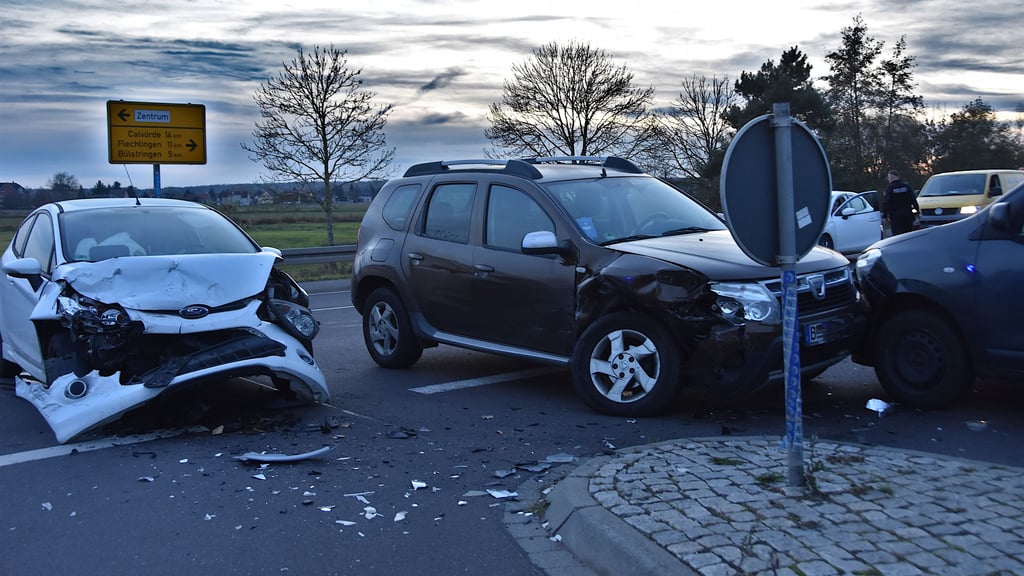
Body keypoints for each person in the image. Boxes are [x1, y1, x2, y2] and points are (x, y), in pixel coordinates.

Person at [882, 170, 919, 236]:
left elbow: (886, 203)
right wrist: (917, 212)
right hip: (907, 214)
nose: (889, 179)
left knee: (898, 236)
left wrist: (885, 216)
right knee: (908, 234)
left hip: (895, 216)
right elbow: (913, 200)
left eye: (890, 178)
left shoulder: (889, 188)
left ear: (894, 177)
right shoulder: (906, 186)